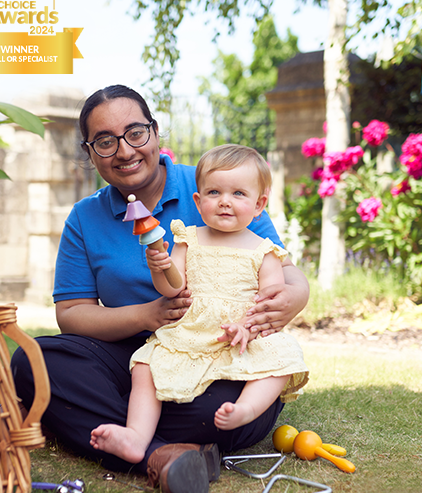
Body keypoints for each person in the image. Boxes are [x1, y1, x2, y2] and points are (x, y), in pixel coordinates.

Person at [11, 85, 310, 493]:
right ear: (90, 152)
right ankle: (160, 455)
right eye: (104, 141)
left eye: (135, 132)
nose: (124, 150)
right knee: (35, 362)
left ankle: (124, 433)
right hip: (137, 355)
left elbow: (285, 272)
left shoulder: (215, 184)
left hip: (220, 352)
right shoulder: (85, 217)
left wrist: (293, 296)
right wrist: (146, 315)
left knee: (212, 409)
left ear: (155, 132)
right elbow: (71, 314)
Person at [89, 144, 309, 465]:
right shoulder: (188, 238)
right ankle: (136, 436)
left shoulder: (265, 251)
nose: (224, 201)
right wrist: (159, 265)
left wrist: (246, 328)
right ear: (198, 200)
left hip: (239, 335)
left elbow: (268, 304)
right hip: (192, 331)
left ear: (259, 204)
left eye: (238, 194)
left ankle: (246, 408)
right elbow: (172, 288)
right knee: (146, 368)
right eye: (214, 192)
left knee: (281, 360)